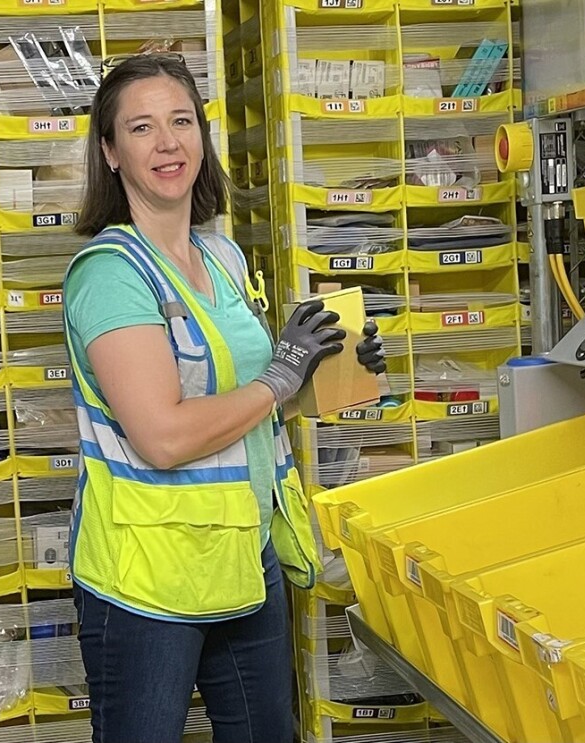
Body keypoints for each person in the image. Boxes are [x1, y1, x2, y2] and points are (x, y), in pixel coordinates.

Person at [62, 52, 387, 743]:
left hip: (241, 556)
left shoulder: (223, 258)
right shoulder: (109, 274)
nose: (167, 142)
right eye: (141, 128)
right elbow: (165, 436)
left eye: (181, 121)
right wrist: (278, 375)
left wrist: (326, 373)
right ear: (110, 152)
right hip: (146, 579)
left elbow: (248, 409)